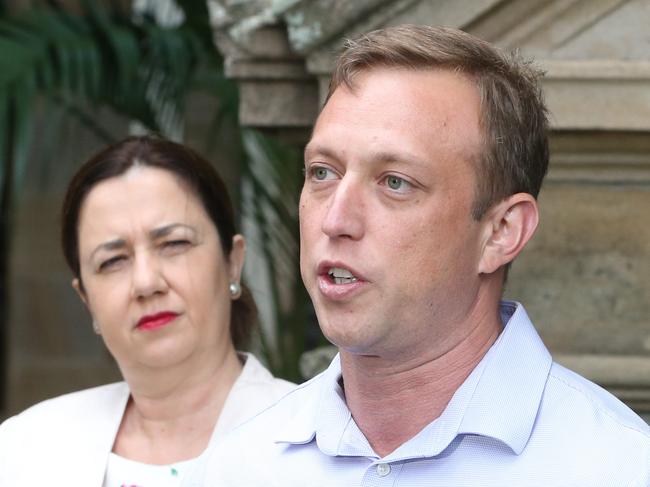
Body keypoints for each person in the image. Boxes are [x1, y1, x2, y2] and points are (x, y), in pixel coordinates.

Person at [188, 25, 650, 486]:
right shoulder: (237, 467)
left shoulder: (616, 466)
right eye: (323, 172)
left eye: (395, 182)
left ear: (501, 232)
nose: (335, 220)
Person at [0, 136, 294, 486]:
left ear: (233, 262)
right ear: (86, 299)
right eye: (112, 261)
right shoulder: (26, 449)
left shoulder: (316, 441)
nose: (145, 282)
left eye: (174, 243)